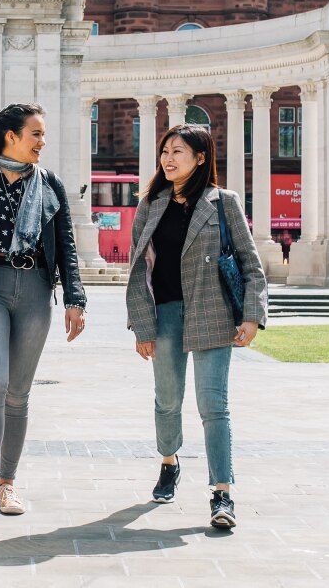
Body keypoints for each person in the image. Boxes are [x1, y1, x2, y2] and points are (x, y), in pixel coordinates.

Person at [0, 103, 87, 525]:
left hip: (37, 290)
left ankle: (9, 483)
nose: (43, 142)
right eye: (36, 134)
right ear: (11, 136)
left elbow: (67, 244)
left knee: (19, 392)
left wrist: (75, 298)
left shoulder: (51, 184)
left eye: (42, 135)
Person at [125, 124, 268, 531]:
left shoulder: (224, 203)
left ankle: (222, 493)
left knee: (214, 405)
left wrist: (253, 315)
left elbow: (250, 263)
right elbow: (136, 272)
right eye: (165, 152)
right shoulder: (151, 204)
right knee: (167, 400)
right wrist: (141, 325)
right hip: (165, 314)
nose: (168, 159)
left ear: (200, 158)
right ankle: (169, 462)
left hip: (214, 314)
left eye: (178, 152)